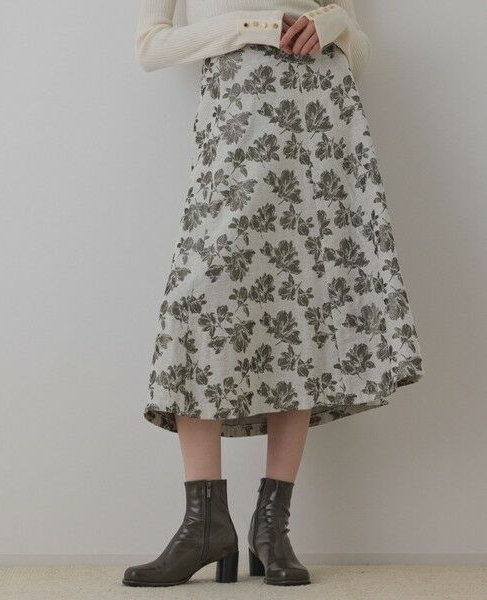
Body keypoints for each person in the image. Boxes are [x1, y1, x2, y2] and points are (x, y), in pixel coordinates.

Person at [123, 0, 425, 588]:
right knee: (195, 301)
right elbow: (150, 47)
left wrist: (332, 25)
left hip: (319, 122)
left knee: (299, 305)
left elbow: (359, 49)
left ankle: (272, 526)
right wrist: (255, 26)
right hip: (235, 125)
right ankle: (205, 523)